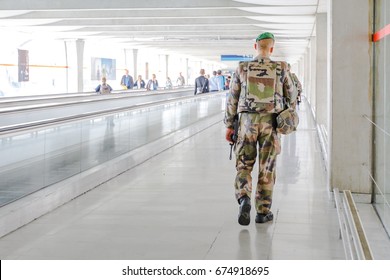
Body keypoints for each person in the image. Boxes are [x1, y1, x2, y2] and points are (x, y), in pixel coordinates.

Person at [224, 32, 297, 225]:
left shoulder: (242, 68)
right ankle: (263, 212)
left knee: (244, 165)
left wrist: (229, 126)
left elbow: (232, 99)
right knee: (267, 168)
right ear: (271, 48)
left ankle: (244, 198)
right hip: (271, 124)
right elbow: (292, 94)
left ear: (255, 46)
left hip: (246, 122)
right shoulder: (281, 68)